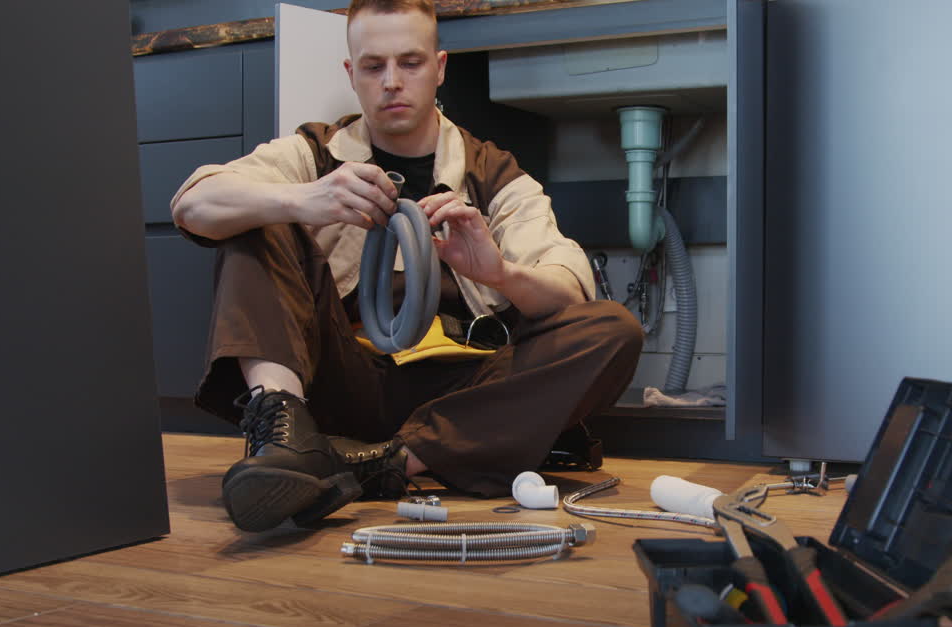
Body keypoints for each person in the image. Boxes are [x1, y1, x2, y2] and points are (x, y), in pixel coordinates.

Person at [170, 0, 642, 533]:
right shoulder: (315, 153)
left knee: (612, 330)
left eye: (410, 63)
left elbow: (569, 293)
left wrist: (499, 274)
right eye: (374, 66)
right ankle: (285, 436)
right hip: (343, 379)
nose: (392, 82)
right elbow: (194, 204)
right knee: (252, 213)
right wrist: (299, 200)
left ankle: (388, 465)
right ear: (352, 74)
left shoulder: (493, 172)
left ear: (440, 68)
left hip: (461, 390)